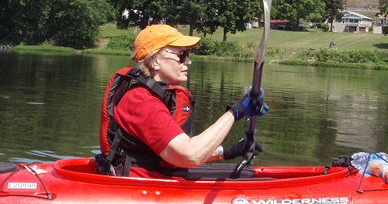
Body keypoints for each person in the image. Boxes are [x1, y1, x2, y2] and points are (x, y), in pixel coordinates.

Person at [97, 24, 268, 178]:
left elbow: (175, 153)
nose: (188, 61)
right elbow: (190, 154)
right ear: (155, 61)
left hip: (163, 178)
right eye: (181, 55)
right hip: (145, 191)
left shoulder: (158, 97)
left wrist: (230, 151)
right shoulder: (142, 102)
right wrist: (236, 111)